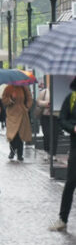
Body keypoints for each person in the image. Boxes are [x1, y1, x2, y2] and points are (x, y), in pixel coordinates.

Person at [49, 76, 76, 231]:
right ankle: (63, 219)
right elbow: (62, 119)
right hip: (75, 145)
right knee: (71, 182)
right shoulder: (71, 98)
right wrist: (73, 128)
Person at [1, 84, 33, 160]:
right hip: (11, 115)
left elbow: (29, 98)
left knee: (20, 134)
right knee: (12, 135)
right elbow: (3, 100)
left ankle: (20, 154)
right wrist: (11, 98)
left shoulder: (24, 87)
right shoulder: (8, 88)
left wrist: (27, 107)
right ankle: (12, 151)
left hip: (22, 114)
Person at [36, 82, 60, 162]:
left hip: (56, 117)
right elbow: (38, 102)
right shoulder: (45, 91)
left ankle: (53, 154)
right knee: (47, 134)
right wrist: (47, 103)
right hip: (45, 116)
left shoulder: (59, 92)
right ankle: (46, 152)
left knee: (55, 135)